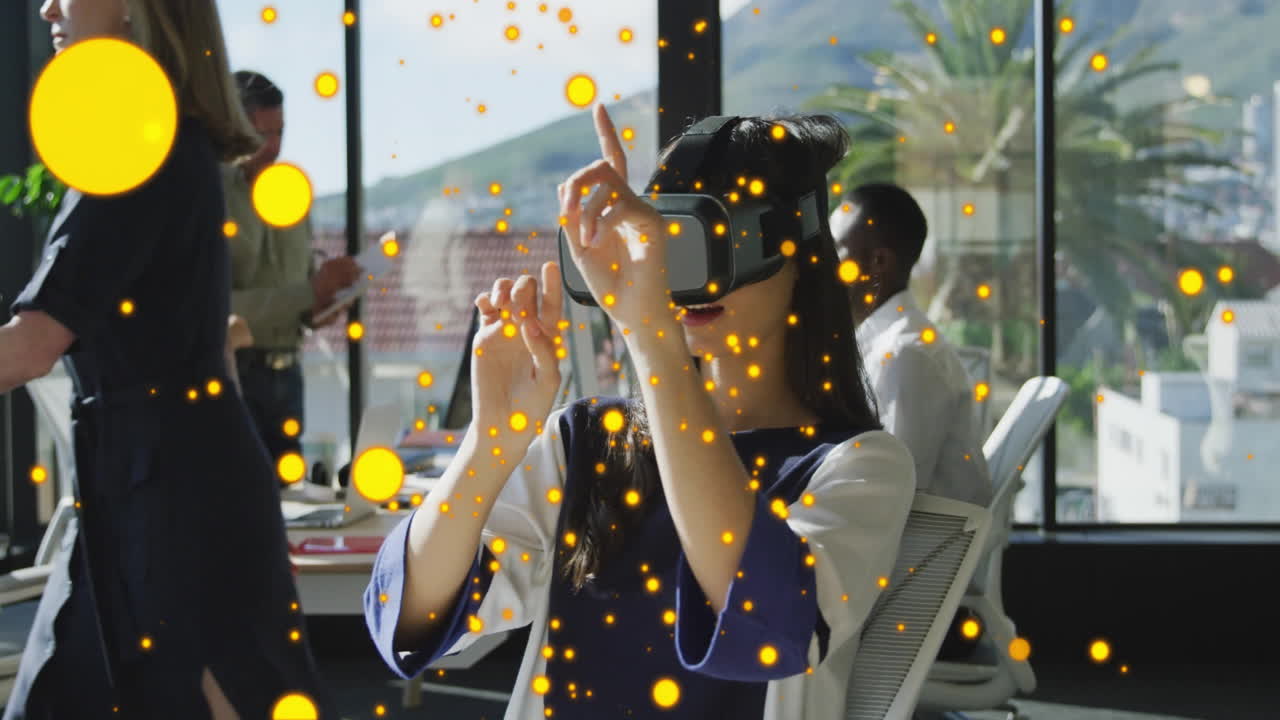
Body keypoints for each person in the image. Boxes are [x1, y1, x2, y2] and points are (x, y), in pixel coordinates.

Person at [365, 106, 918, 719]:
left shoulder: (861, 466)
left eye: (721, 239)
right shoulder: (588, 445)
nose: (690, 278)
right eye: (669, 243)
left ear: (797, 251)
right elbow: (407, 621)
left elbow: (769, 632)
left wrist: (651, 334)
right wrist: (491, 442)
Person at [0, 1, 330, 717]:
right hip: (167, 483)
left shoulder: (138, 147)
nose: (47, 5)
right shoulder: (163, 142)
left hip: (169, 498)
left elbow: (29, 348)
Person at [222, 70, 359, 482]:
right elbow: (219, 307)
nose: (273, 147)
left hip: (288, 379)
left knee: (288, 503)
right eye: (261, 135)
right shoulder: (210, 196)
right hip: (235, 376)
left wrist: (323, 305)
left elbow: (301, 297)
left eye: (280, 133)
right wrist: (309, 292)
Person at [830, 183, 993, 508]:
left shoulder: (907, 357)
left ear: (878, 262)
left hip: (911, 553)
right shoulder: (882, 341)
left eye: (835, 250)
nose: (822, 265)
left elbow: (892, 494)